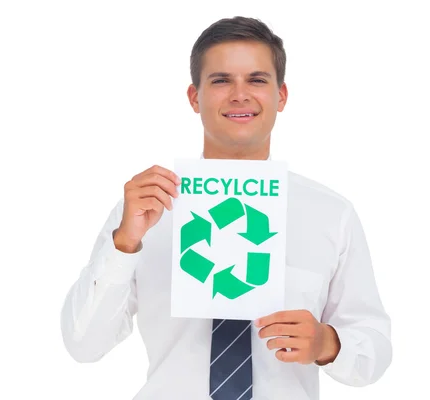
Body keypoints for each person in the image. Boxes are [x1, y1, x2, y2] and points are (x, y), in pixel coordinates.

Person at [59, 16, 392, 400]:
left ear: (281, 96)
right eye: (220, 80)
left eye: (256, 79)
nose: (239, 94)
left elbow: (374, 348)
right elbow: (83, 345)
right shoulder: (148, 209)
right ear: (194, 97)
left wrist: (327, 344)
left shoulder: (331, 214)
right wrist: (124, 245)